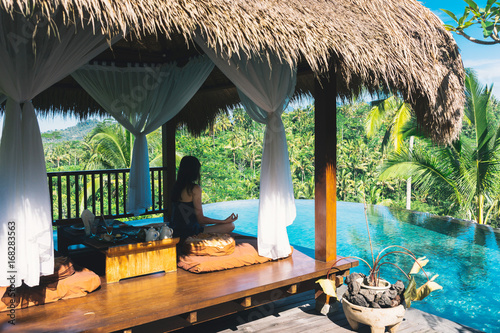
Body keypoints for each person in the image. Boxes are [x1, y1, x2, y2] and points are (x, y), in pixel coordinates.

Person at [170, 156, 237, 239]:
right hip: (189, 233)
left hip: (175, 230)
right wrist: (224, 221)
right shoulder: (194, 189)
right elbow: (201, 219)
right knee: (230, 226)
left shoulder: (176, 187)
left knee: (205, 224)